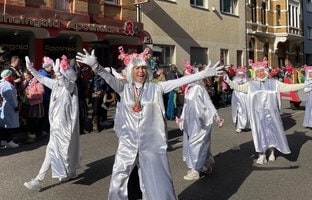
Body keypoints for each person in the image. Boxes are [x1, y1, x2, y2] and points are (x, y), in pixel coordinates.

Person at [76, 47, 222, 200]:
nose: (141, 71)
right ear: (131, 70)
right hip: (128, 143)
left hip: (152, 144)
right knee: (119, 179)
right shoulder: (124, 88)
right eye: (137, 68)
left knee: (157, 180)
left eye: (143, 68)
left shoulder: (156, 88)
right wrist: (95, 66)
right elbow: (108, 77)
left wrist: (203, 74)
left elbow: (179, 81)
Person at [224, 58, 307, 165]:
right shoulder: (250, 84)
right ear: (255, 73)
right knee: (259, 133)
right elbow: (239, 88)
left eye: (262, 71)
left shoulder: (274, 83)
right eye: (257, 71)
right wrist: (228, 81)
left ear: (266, 72)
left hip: (272, 114)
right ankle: (261, 154)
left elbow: (289, 87)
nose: (260, 73)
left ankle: (272, 151)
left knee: (272, 132)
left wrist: (305, 85)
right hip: (257, 116)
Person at [24, 55, 81, 191]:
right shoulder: (56, 84)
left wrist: (60, 74)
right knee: (57, 151)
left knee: (57, 151)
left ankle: (39, 179)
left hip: (65, 128)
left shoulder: (71, 87)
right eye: (56, 73)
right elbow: (42, 78)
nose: (56, 75)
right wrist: (31, 69)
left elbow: (67, 84)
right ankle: (70, 172)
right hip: (56, 127)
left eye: (59, 72)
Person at [176, 61, 224, 181]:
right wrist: (182, 117)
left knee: (196, 144)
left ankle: (196, 169)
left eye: (187, 75)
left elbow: (208, 102)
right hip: (190, 121)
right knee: (192, 143)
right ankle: (203, 165)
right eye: (185, 75)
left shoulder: (199, 88)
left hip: (201, 121)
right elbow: (186, 105)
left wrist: (216, 116)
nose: (185, 78)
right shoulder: (188, 89)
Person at [0, 69, 20, 148]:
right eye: (10, 76)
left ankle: (4, 140)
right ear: (8, 76)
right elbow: (12, 98)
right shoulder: (7, 85)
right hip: (8, 107)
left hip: (1, 107)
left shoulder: (1, 84)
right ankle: (9, 141)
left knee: (3, 125)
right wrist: (16, 107)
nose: (12, 77)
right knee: (9, 125)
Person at [19, 69, 45, 143]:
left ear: (30, 75)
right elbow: (21, 90)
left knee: (33, 121)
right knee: (28, 120)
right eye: (24, 76)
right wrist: (23, 84)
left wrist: (31, 96)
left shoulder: (37, 82)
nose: (25, 77)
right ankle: (30, 135)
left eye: (26, 76)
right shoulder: (25, 82)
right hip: (26, 104)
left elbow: (41, 92)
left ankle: (32, 136)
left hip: (34, 104)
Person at [230, 67, 250, 133]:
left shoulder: (247, 80)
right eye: (240, 75)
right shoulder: (235, 81)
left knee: (247, 111)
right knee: (239, 111)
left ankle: (247, 126)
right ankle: (240, 126)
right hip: (238, 97)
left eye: (243, 75)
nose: (242, 76)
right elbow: (231, 86)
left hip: (245, 96)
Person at [38, 57, 54, 136]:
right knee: (46, 114)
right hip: (46, 97)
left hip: (41, 98)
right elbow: (49, 89)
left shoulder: (40, 72)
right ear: (46, 67)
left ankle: (41, 129)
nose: (52, 68)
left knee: (42, 114)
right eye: (51, 67)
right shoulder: (45, 76)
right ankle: (43, 130)